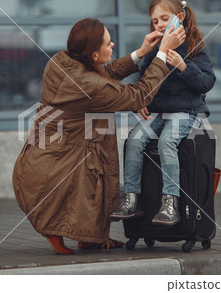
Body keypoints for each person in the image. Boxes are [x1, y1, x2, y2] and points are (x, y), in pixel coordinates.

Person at [12, 17, 185, 254]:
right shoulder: (90, 85)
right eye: (107, 42)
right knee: (85, 188)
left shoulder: (62, 61)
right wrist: (162, 53)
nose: (112, 44)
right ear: (93, 54)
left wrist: (141, 53)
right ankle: (53, 230)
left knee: (95, 186)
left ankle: (90, 237)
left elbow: (104, 73)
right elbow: (139, 94)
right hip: (56, 160)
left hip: (51, 151)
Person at [110, 0, 216, 225]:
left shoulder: (194, 45)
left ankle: (171, 203)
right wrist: (141, 102)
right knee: (135, 140)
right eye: (155, 21)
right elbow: (145, 79)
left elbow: (207, 82)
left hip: (186, 111)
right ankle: (131, 199)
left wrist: (183, 65)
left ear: (179, 17)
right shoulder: (155, 46)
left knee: (166, 141)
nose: (159, 24)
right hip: (157, 111)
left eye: (164, 18)